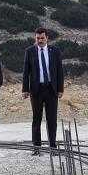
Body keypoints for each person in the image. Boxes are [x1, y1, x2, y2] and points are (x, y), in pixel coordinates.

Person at [22, 27, 64, 155]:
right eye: (38, 38)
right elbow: (26, 72)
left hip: (51, 89)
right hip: (36, 90)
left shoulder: (55, 51)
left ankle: (52, 146)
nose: (40, 40)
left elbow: (59, 71)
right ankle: (37, 147)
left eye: (42, 38)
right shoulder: (29, 51)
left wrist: (60, 89)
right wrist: (25, 89)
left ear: (47, 38)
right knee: (37, 119)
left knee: (52, 119)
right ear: (35, 38)